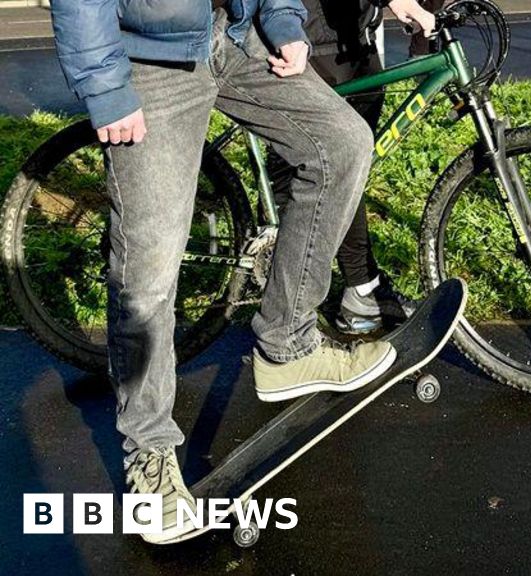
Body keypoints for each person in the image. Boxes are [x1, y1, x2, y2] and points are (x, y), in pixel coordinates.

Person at [50, 0, 434, 543]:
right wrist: (104, 86)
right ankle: (150, 454)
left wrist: (281, 20)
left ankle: (287, 344)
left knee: (341, 145)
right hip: (150, 59)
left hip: (233, 33)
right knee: (151, 267)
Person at [267, 0, 427, 335]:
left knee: (348, 176)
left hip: (356, 41)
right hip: (312, 42)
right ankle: (298, 312)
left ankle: (360, 287)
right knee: (326, 172)